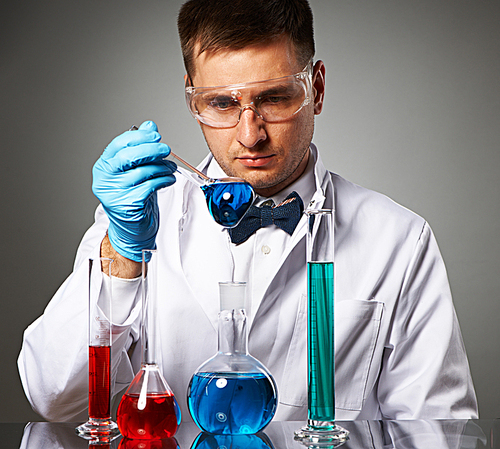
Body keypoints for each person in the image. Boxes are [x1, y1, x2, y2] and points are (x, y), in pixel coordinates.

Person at [18, 0, 478, 422]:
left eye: (274, 98)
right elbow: (55, 398)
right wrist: (122, 258)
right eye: (221, 103)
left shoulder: (397, 240)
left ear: (315, 88)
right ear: (193, 98)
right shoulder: (137, 218)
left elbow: (439, 430)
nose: (250, 134)